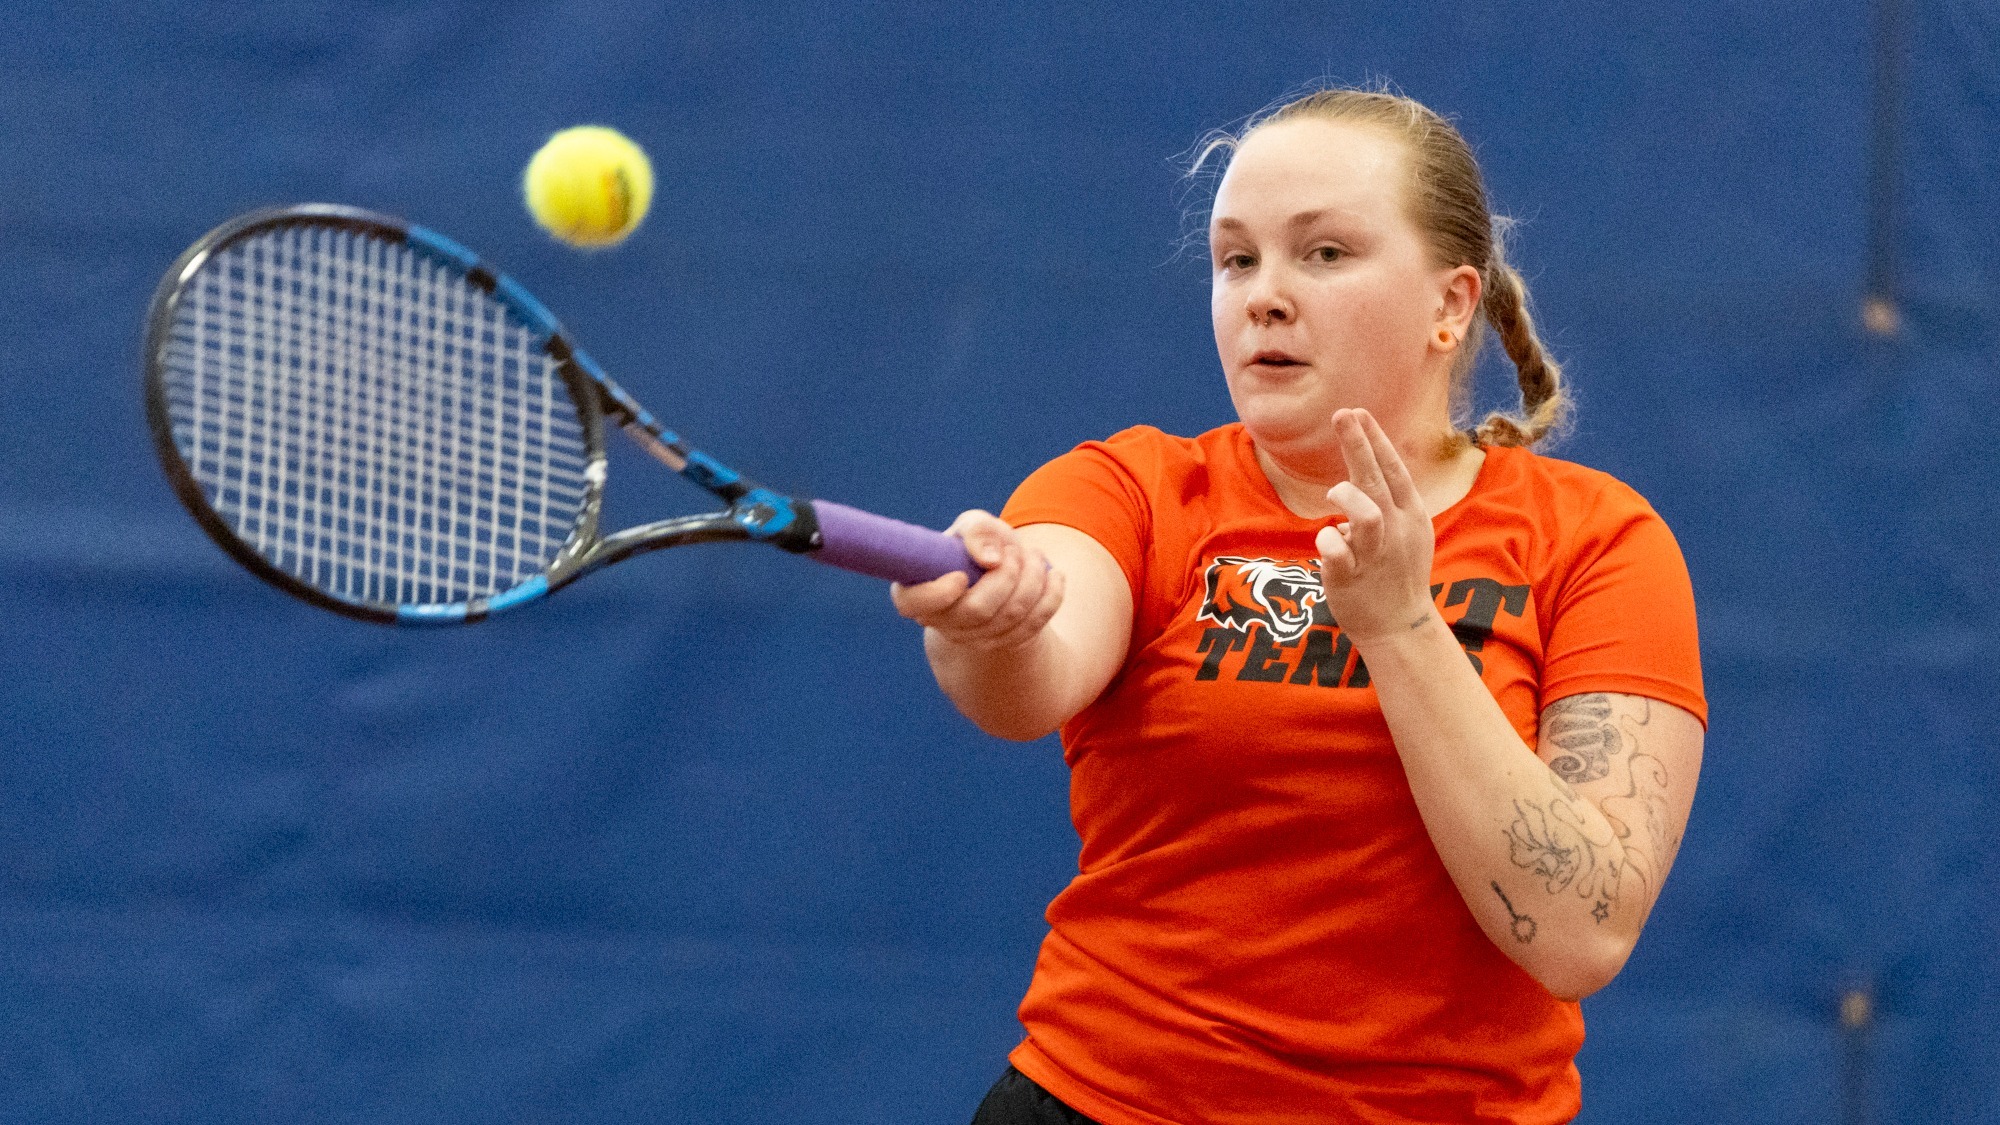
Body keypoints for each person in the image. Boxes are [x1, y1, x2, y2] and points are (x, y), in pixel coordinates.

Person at [893, 87, 1707, 1125]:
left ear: (1451, 304)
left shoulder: (1597, 540)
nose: (1263, 297)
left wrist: (1401, 625)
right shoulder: (1133, 489)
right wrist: (985, 626)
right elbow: (1031, 673)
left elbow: (1578, 929)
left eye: (1322, 254)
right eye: (1236, 260)